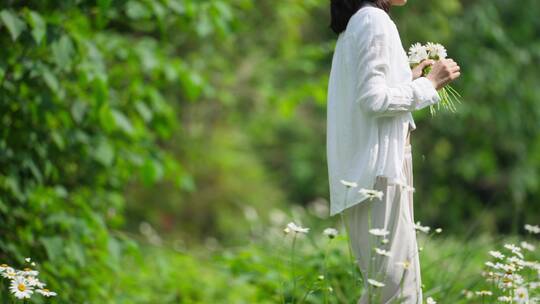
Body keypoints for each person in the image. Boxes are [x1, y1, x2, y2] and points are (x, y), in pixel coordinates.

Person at [326, 0, 461, 303]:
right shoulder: (373, 20)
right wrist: (429, 83)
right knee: (399, 290)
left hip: (373, 174)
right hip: (379, 174)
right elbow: (373, 101)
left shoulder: (359, 23)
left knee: (386, 289)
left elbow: (367, 97)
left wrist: (408, 79)